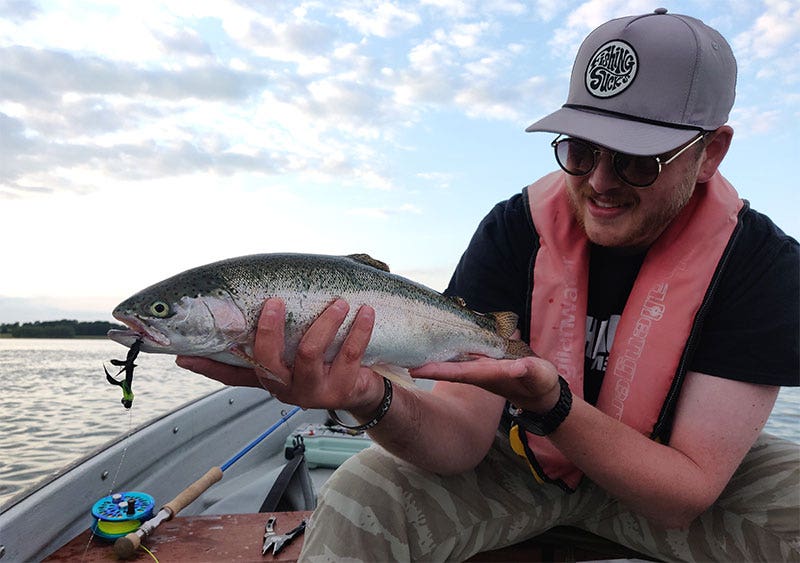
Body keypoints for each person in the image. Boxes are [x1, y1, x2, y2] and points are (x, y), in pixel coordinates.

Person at [177, 9, 800, 562]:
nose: (601, 182)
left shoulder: (760, 265)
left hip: (662, 475)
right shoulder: (513, 230)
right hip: (517, 465)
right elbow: (461, 443)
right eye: (581, 149)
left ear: (710, 153)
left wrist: (551, 404)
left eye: (638, 160)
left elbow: (683, 497)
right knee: (359, 497)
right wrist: (371, 398)